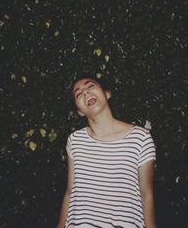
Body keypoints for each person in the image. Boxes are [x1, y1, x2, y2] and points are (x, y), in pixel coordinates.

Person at [56, 77, 157, 228]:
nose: (85, 92)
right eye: (78, 94)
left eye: (90, 86)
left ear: (107, 94)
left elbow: (146, 194)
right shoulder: (75, 140)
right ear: (79, 112)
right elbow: (70, 192)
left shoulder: (140, 138)